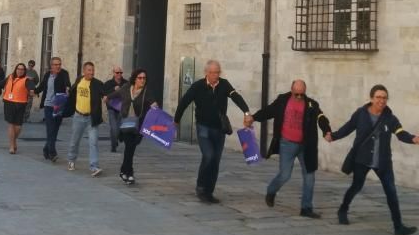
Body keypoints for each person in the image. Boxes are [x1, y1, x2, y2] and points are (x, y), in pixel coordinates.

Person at [328, 84, 419, 235]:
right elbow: (348, 127)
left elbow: (400, 133)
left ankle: (398, 227)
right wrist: (333, 136)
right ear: (371, 98)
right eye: (378, 97)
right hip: (362, 159)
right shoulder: (361, 114)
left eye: (384, 98)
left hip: (382, 161)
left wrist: (413, 139)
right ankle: (343, 209)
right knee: (356, 186)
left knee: (391, 192)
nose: (381, 100)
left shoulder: (390, 118)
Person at [244, 79, 332, 217]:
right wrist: (253, 117)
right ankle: (271, 190)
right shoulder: (282, 100)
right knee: (285, 175)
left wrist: (326, 130)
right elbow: (268, 111)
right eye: (296, 94)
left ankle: (306, 208)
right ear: (291, 91)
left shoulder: (311, 104)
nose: (298, 97)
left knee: (310, 177)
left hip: (306, 145)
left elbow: (321, 117)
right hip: (287, 144)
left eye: (301, 94)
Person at [174, 60, 251, 203]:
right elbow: (184, 102)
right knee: (208, 155)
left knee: (215, 160)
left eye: (218, 72)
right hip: (203, 127)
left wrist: (246, 112)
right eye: (214, 72)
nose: (217, 75)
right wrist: (176, 120)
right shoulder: (197, 86)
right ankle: (201, 187)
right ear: (207, 73)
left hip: (219, 129)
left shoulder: (224, 84)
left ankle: (209, 192)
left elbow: (236, 97)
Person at [105, 68, 158, 186]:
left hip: (139, 125)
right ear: (135, 78)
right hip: (126, 123)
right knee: (129, 148)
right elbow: (113, 95)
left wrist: (155, 107)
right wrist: (108, 99)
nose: (142, 80)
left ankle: (123, 170)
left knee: (130, 149)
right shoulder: (126, 88)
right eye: (140, 78)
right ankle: (129, 174)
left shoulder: (146, 92)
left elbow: (153, 103)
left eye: (144, 78)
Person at [63, 61, 106, 176]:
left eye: (93, 70)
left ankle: (94, 166)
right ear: (84, 71)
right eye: (89, 70)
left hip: (91, 118)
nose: (92, 72)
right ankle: (71, 160)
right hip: (78, 116)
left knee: (93, 142)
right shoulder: (79, 80)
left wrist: (106, 97)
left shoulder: (97, 83)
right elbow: (72, 91)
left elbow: (104, 93)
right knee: (74, 141)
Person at [36, 57, 72, 162]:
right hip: (48, 105)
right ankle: (52, 152)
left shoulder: (64, 73)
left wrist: (68, 88)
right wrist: (35, 91)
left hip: (59, 105)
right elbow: (42, 86)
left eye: (59, 64)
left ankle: (46, 149)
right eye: (56, 64)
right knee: (50, 129)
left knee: (55, 130)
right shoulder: (47, 75)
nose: (58, 66)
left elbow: (67, 83)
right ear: (51, 66)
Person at [2, 63, 34, 154]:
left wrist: (32, 90)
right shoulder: (10, 77)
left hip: (21, 104)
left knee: (18, 126)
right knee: (11, 124)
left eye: (22, 69)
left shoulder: (26, 80)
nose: (20, 71)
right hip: (8, 102)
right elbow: (1, 83)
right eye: (18, 69)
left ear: (24, 71)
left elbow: (31, 86)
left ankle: (13, 141)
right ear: (15, 69)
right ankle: (12, 146)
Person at [103, 66, 129, 153]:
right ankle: (113, 144)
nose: (119, 75)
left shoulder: (126, 83)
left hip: (122, 109)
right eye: (117, 73)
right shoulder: (108, 83)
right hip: (111, 108)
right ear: (113, 73)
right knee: (114, 127)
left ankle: (115, 141)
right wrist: (113, 89)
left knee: (119, 128)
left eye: (121, 73)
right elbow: (104, 94)